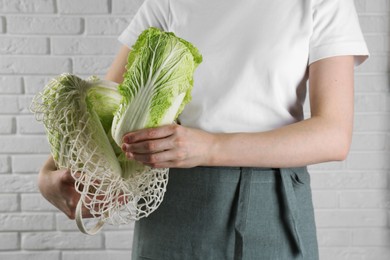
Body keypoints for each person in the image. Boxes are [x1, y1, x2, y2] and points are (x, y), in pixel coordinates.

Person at [38, 0, 369, 259]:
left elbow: (333, 135)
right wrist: (48, 176)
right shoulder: (167, 2)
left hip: (271, 208)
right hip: (171, 207)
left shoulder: (323, 1)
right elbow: (101, 108)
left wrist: (207, 148)